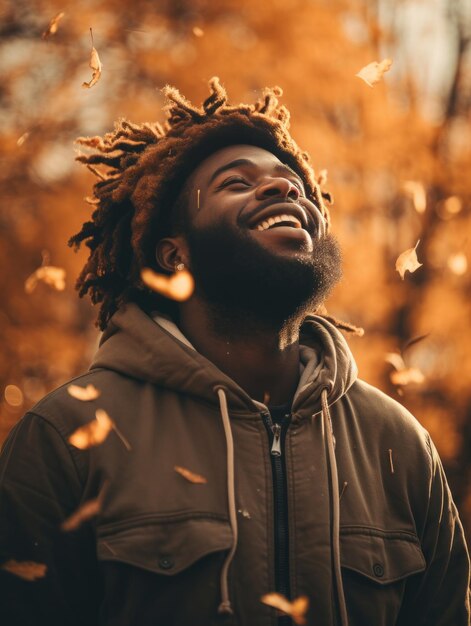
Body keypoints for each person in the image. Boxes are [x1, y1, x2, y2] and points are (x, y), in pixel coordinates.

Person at [0, 77, 469, 626]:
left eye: (291, 183)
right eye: (236, 183)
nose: (283, 190)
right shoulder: (67, 434)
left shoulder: (399, 442)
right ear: (173, 254)